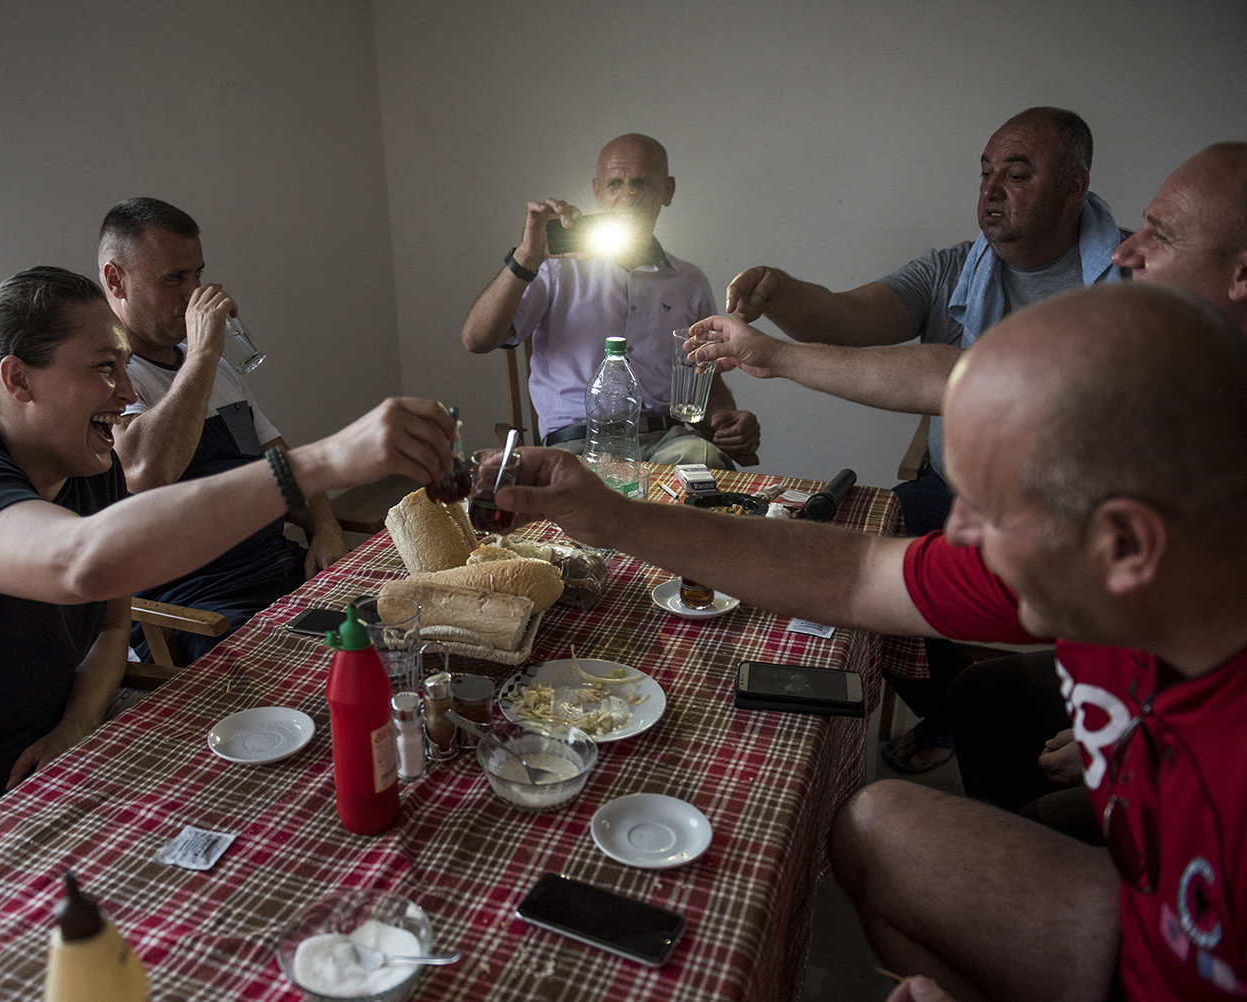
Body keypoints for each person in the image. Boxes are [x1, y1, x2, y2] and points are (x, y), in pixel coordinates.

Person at [497, 282, 1247, 1000]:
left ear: (1125, 544)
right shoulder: (1129, 574)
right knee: (870, 826)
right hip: (1145, 920)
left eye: (989, 512)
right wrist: (613, 519)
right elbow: (859, 572)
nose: (956, 535)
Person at [0, 265, 455, 862]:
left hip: (37, 782)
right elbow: (81, 564)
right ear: (16, 378)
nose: (121, 393)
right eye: (102, 370)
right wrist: (323, 462)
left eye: (121, 367)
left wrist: (77, 724)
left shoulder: (88, 472)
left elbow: (112, 624)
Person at [694, 107, 1127, 773]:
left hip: (1077, 525)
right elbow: (847, 315)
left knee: (846, 573)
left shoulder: (1133, 281)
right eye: (985, 173)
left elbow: (949, 380)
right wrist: (782, 293)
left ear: (1074, 186)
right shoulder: (954, 268)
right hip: (958, 494)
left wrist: (777, 356)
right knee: (833, 542)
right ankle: (957, 713)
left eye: (1015, 176)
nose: (989, 191)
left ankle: (1008, 727)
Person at [946, 141, 1247, 843]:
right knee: (986, 696)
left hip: (1193, 734)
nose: (1125, 253)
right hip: (1148, 673)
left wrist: (1127, 741)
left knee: (995, 836)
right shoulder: (1187, 369)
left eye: (1161, 236)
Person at [98, 197, 347, 664]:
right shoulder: (111, 377)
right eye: (174, 279)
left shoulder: (212, 368)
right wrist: (203, 354)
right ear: (116, 280)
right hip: (200, 608)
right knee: (318, 681)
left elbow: (281, 462)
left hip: (280, 573)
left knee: (396, 637)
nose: (195, 294)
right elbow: (146, 472)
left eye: (197, 274)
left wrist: (326, 528)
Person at [459, 133, 760, 469]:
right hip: (576, 444)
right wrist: (526, 257)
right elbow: (476, 340)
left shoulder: (688, 281)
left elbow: (707, 375)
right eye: (615, 183)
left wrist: (728, 422)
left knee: (704, 464)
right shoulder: (555, 267)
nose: (627, 196)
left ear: (668, 191)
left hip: (666, 441)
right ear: (597, 192)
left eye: (642, 184)